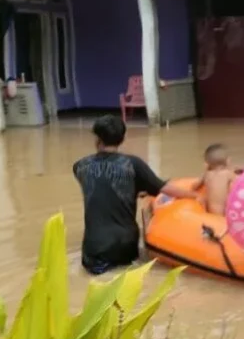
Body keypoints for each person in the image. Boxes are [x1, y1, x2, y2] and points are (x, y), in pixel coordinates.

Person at [73, 114, 196, 275]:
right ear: (122, 139)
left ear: (97, 139)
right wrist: (196, 196)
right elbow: (163, 188)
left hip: (96, 249)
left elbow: (101, 187)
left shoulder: (80, 166)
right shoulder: (133, 164)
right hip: (127, 246)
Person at [192, 144, 236, 216]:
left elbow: (194, 187)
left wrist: (205, 170)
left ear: (206, 164)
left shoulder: (206, 174)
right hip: (224, 213)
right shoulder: (229, 174)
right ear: (228, 161)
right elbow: (240, 186)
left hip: (210, 212)